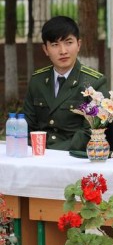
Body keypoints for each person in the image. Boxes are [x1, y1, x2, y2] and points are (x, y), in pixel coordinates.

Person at [23, 16, 107, 151]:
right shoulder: (37, 81)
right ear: (45, 49)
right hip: (38, 155)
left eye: (68, 42)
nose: (63, 51)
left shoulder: (94, 82)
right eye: (55, 45)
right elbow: (27, 125)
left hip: (74, 157)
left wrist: (51, 151)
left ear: (78, 45)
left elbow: (90, 132)